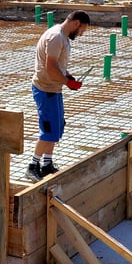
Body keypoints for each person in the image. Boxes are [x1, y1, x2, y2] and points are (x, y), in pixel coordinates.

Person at [27, 10, 90, 181]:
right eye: (82, 30)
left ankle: (47, 164)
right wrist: (67, 82)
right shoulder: (56, 37)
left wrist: (68, 77)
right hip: (45, 89)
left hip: (53, 89)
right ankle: (33, 166)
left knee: (56, 127)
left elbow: (58, 67)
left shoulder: (61, 36)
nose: (82, 34)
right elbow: (50, 68)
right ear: (76, 23)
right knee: (48, 130)